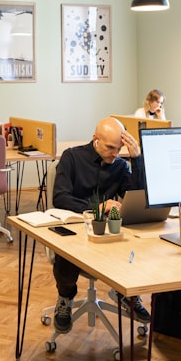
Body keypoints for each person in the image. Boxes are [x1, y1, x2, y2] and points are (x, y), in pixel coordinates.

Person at [51, 117, 147, 332]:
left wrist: (137, 159)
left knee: (136, 242)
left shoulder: (121, 165)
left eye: (119, 148)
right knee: (67, 249)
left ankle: (125, 293)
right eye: (111, 147)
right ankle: (65, 297)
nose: (115, 153)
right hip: (75, 225)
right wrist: (99, 206)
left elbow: (137, 196)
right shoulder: (72, 157)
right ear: (95, 139)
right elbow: (60, 198)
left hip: (107, 231)